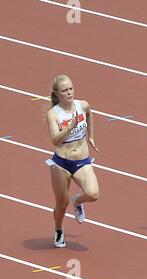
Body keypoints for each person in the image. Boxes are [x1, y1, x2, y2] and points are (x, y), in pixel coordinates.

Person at [46, 75, 100, 248]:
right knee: (62, 204)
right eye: (64, 90)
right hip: (61, 163)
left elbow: (90, 114)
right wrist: (69, 127)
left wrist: (90, 136)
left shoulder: (82, 105)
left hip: (82, 161)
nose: (69, 93)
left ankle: (78, 202)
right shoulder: (53, 114)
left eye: (70, 89)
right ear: (57, 93)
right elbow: (55, 140)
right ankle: (58, 230)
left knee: (93, 194)